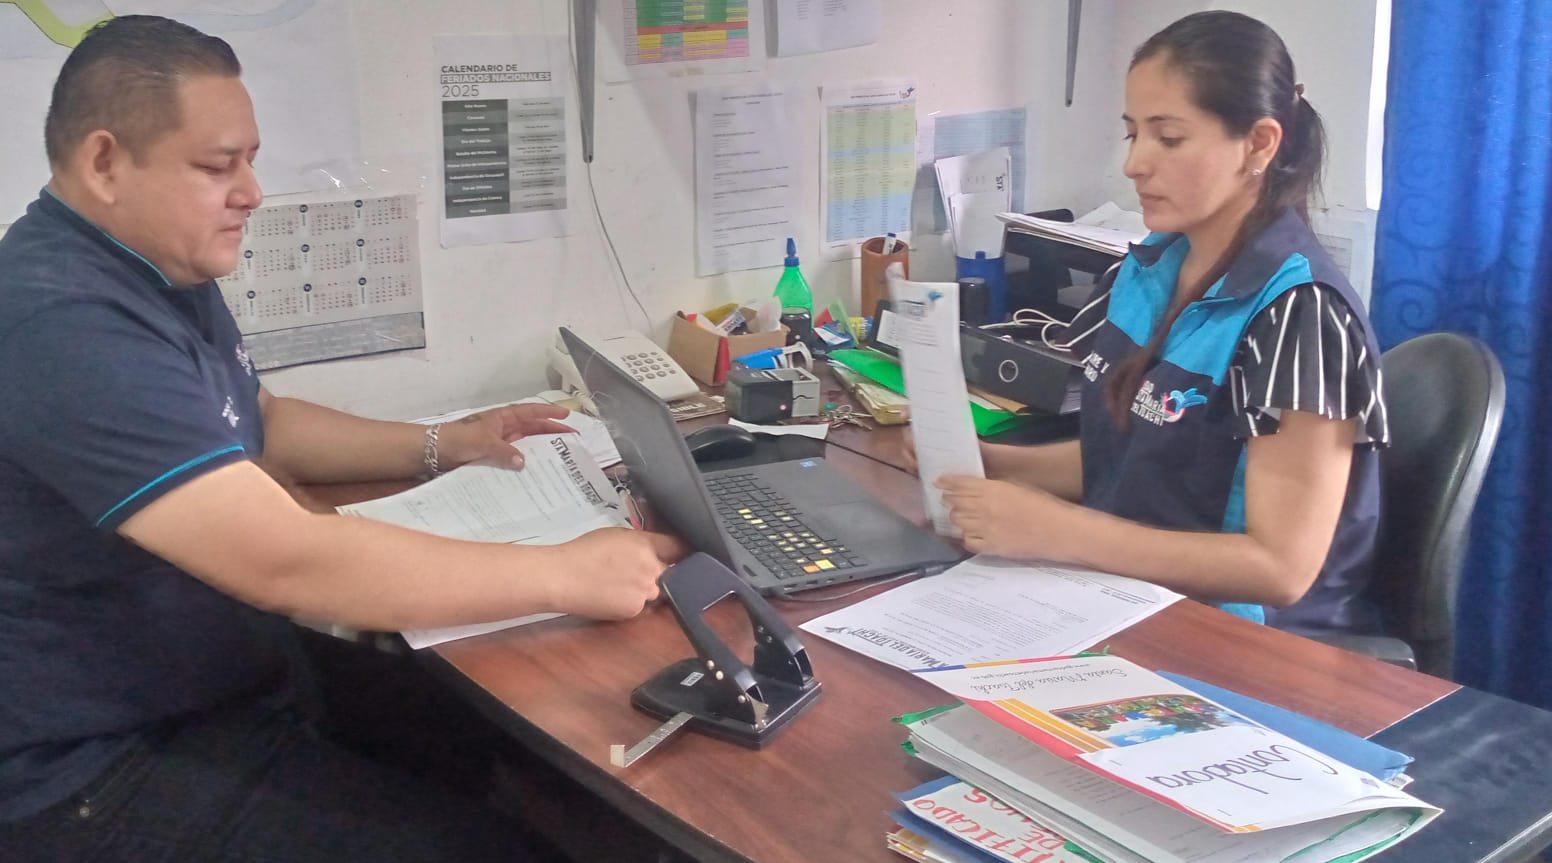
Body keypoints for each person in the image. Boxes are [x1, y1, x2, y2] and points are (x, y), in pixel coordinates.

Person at [0, 16, 685, 862]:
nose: (252, 191)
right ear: (105, 162)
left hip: (224, 679)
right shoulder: (60, 322)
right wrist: (565, 574)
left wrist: (445, 442)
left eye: (250, 160)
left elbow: (261, 422)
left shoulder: (154, 266)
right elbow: (285, 559)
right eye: (218, 166)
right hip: (94, 767)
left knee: (508, 744)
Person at [916, 10, 1388, 632]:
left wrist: (1060, 530)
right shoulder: (1149, 269)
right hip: (1126, 596)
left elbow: (1281, 568)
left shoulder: (1302, 314)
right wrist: (991, 464)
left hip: (1245, 637)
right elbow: (1135, 458)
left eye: (1168, 138)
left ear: (1259, 144)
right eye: (1132, 134)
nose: (1135, 163)